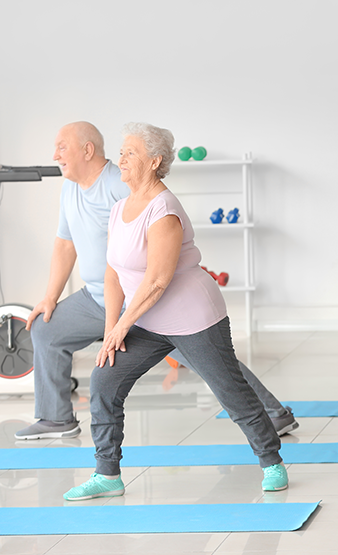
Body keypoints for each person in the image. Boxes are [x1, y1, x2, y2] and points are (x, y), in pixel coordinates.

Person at [16, 122, 297, 441]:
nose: (55, 155)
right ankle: (55, 418)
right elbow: (65, 243)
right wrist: (50, 297)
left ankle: (273, 413)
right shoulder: (70, 188)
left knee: (212, 363)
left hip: (145, 302)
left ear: (87, 150)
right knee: (45, 328)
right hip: (97, 298)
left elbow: (162, 244)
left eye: (62, 147)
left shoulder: (121, 184)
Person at [63, 123, 288, 500]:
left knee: (230, 390)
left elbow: (157, 280)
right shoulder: (120, 208)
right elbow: (113, 271)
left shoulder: (165, 211)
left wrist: (123, 326)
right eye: (121, 151)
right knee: (104, 381)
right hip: (146, 319)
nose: (120, 159)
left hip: (192, 317)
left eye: (130, 153)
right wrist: (111, 329)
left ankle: (271, 461)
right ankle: (107, 474)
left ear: (154, 161)